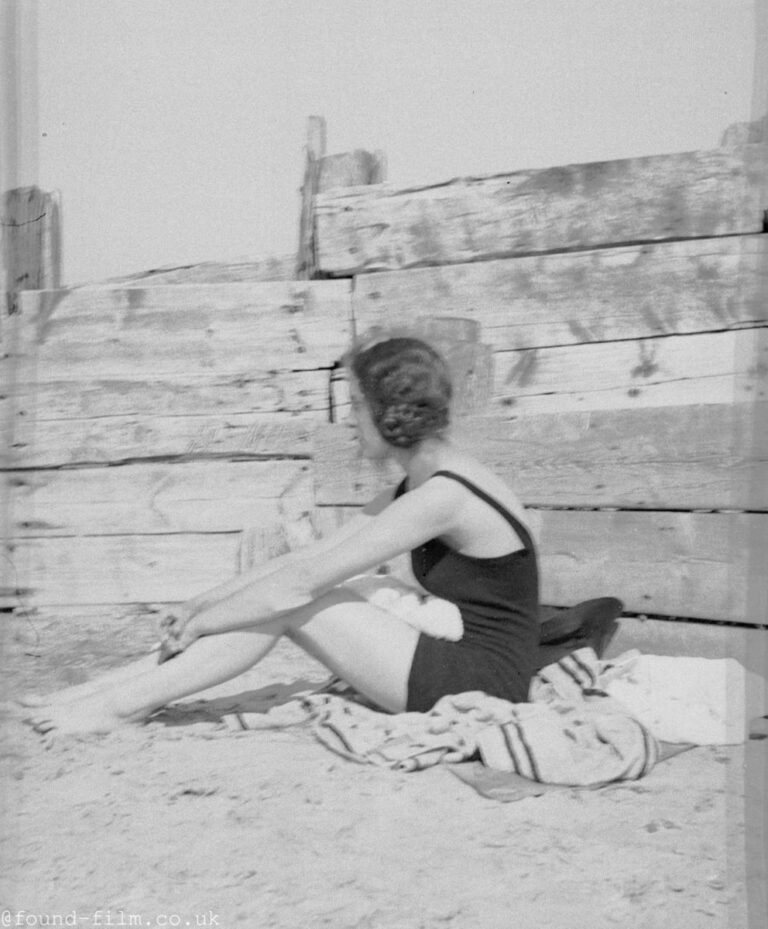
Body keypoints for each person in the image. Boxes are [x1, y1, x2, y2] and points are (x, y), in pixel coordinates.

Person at [25, 336, 540, 736]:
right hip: (458, 661)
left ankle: (122, 706)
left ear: (389, 412)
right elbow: (317, 554)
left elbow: (300, 584)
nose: (348, 421)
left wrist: (210, 620)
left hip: (482, 683)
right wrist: (202, 603)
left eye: (356, 405)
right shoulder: (424, 479)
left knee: (294, 604)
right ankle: (105, 692)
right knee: (281, 598)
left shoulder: (443, 496)